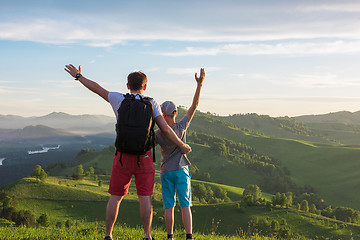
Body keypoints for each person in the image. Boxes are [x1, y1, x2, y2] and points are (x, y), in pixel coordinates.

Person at [64, 64, 192, 240]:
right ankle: (147, 235)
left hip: (122, 157)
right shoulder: (151, 103)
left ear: (127, 85)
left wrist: (79, 76)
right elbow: (166, 130)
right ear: (145, 86)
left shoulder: (119, 99)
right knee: (144, 197)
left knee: (115, 197)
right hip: (144, 157)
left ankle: (108, 235)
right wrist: (182, 145)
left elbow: (96, 88)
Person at [155, 68, 205, 240]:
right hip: (181, 170)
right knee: (185, 204)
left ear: (162, 114)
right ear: (175, 113)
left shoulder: (158, 133)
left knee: (169, 206)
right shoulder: (181, 126)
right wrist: (199, 84)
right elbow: (194, 106)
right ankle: (189, 236)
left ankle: (170, 237)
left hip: (165, 171)